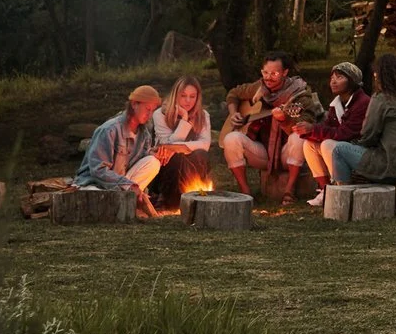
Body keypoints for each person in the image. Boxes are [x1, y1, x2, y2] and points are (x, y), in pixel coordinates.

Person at [220, 51, 324, 203]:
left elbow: (305, 124)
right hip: (262, 151)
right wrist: (234, 112)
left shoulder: (299, 94)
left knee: (298, 137)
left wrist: (284, 120)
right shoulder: (259, 87)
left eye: (274, 73)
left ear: (285, 73)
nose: (268, 77)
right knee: (231, 139)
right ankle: (246, 193)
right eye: (265, 72)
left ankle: (289, 190)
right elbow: (233, 94)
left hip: (286, 153)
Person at [328, 53, 396, 191]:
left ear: (378, 76)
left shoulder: (382, 98)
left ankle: (343, 194)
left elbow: (368, 135)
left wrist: (358, 144)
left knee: (339, 150)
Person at [127, 75, 211, 217]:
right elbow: (166, 145)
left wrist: (179, 148)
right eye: (183, 96)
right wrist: (184, 120)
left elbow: (204, 144)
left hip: (190, 167)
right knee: (174, 157)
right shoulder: (160, 114)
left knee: (200, 154)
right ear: (175, 95)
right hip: (165, 168)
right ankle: (167, 200)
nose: (188, 101)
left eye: (192, 96)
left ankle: (192, 195)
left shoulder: (203, 115)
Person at [296, 61, 370, 211]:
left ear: (352, 81)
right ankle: (325, 189)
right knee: (309, 144)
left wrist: (313, 129)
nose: (333, 81)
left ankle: (339, 186)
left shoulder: (363, 103)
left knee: (328, 144)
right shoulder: (336, 104)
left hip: (358, 149)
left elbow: (345, 133)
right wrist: (308, 131)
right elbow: (328, 127)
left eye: (339, 77)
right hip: (342, 144)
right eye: (332, 78)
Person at [74, 85, 161, 205]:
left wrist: (153, 153)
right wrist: (128, 185)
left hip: (120, 185)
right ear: (134, 104)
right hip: (94, 183)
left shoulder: (144, 134)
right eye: (147, 109)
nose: (150, 115)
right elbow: (98, 170)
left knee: (153, 162)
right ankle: (120, 200)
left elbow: (140, 160)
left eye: (153, 111)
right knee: (96, 197)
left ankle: (122, 199)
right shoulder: (109, 130)